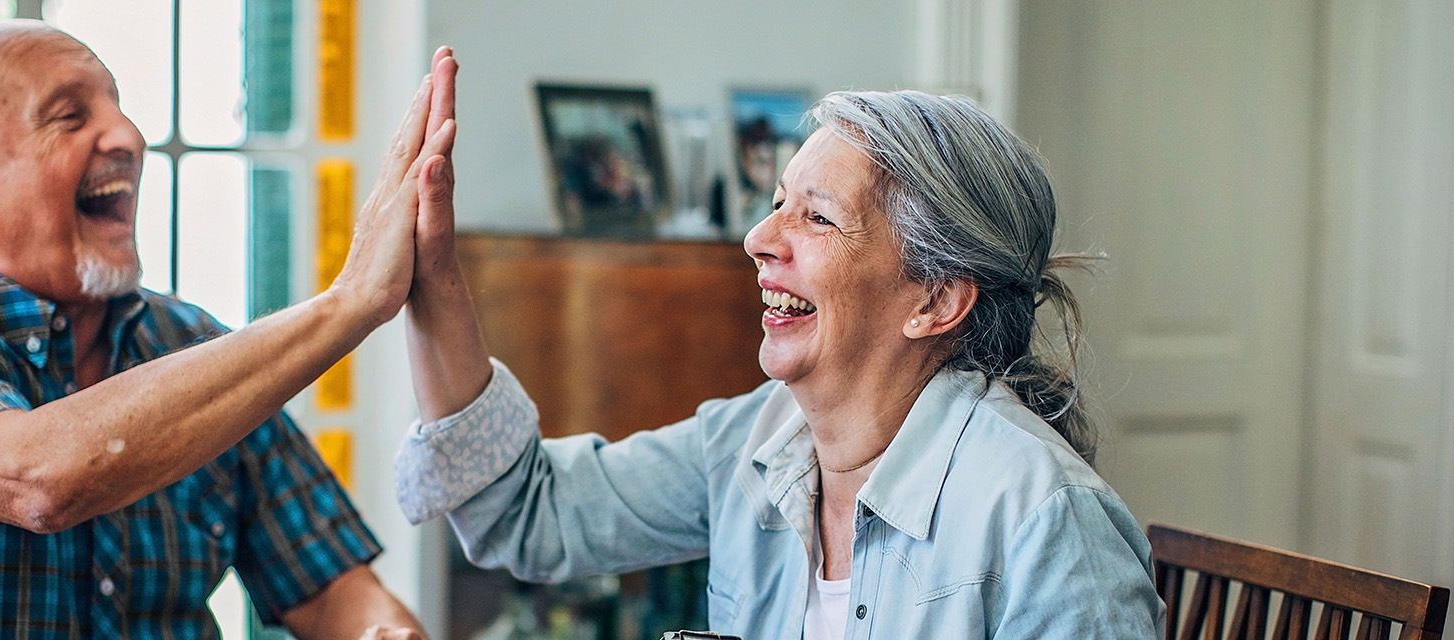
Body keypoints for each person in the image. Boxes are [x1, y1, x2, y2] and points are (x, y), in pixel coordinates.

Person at [394, 88, 1163, 638]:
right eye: (776, 201)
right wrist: (434, 278)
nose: (759, 239)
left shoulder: (1045, 521)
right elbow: (529, 515)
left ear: (934, 301)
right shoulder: (754, 442)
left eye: (817, 217)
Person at [0, 21, 458, 639]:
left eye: (118, 109)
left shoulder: (189, 341)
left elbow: (331, 587)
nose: (130, 138)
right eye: (69, 117)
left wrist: (380, 629)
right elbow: (39, 480)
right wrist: (349, 304)